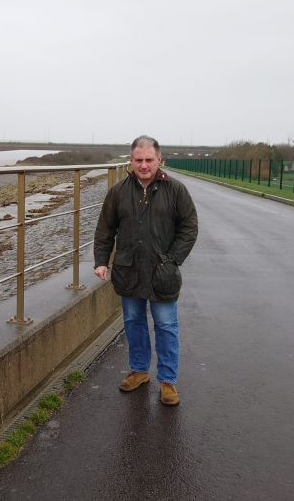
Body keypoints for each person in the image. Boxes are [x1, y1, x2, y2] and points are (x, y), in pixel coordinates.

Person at [94, 135, 198, 406]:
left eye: (149, 160)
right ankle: (139, 371)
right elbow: (105, 229)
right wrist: (101, 261)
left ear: (159, 160)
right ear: (130, 160)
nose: (143, 165)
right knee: (133, 322)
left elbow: (189, 227)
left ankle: (167, 381)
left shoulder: (176, 190)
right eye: (138, 160)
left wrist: (173, 259)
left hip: (163, 271)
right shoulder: (118, 192)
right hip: (128, 270)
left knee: (166, 325)